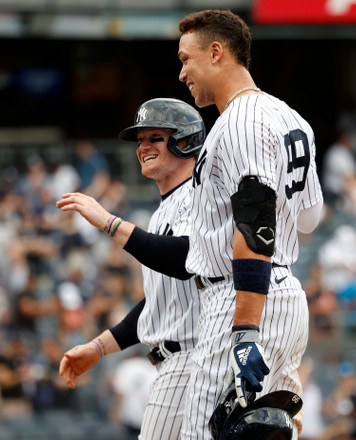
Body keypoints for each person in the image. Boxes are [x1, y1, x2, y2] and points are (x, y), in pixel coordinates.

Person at [175, 9, 323, 439]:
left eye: (187, 58)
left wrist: (244, 331)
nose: (182, 72)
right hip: (284, 297)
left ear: (216, 52)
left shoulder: (240, 120)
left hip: (242, 299)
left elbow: (256, 223)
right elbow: (310, 218)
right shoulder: (292, 118)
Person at [57, 97, 206, 440]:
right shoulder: (162, 212)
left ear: (186, 141)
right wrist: (98, 348)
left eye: (155, 137)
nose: (143, 147)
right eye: (140, 140)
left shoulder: (200, 196)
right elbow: (158, 305)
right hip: (179, 359)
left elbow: (184, 260)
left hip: (195, 357)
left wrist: (110, 224)